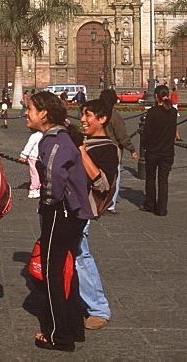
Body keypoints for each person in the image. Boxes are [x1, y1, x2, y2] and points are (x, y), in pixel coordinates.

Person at [26, 91, 91, 352]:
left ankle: (58, 336)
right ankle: (74, 328)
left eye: (30, 109)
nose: (26, 114)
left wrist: (47, 204)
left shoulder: (54, 141)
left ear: (44, 113)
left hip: (61, 212)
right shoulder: (61, 137)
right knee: (67, 269)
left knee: (52, 271)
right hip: (73, 212)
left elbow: (54, 177)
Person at [76, 99, 119, 331]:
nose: (83, 119)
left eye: (88, 115)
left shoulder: (108, 149)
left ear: (102, 119)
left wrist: (82, 153)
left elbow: (103, 184)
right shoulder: (82, 141)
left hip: (81, 209)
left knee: (80, 256)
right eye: (82, 115)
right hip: (64, 207)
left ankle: (99, 308)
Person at [139, 85, 178, 217]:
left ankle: (150, 204)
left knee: (150, 178)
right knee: (163, 181)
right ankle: (162, 209)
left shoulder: (152, 112)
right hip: (168, 152)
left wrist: (145, 145)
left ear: (156, 96)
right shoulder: (172, 112)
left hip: (153, 152)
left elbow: (147, 133)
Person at [98, 89, 136, 214]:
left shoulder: (96, 115)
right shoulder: (115, 116)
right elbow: (121, 136)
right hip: (113, 150)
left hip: (97, 148)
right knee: (114, 178)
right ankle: (110, 204)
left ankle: (98, 200)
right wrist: (131, 149)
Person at [20, 129, 42, 198]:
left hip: (36, 157)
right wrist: (24, 155)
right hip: (36, 158)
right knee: (36, 174)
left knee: (37, 174)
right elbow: (29, 146)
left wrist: (23, 155)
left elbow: (29, 146)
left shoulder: (36, 135)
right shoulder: (38, 135)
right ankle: (34, 189)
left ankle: (37, 188)